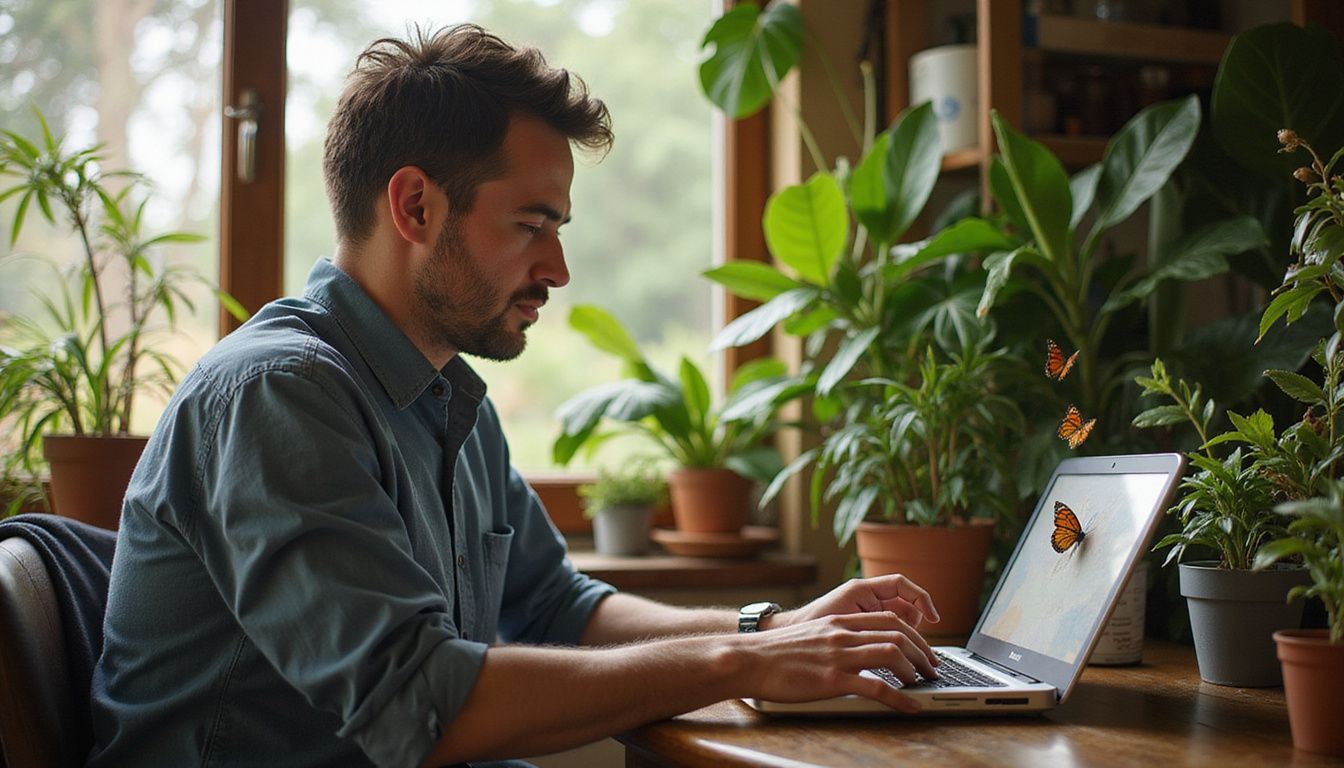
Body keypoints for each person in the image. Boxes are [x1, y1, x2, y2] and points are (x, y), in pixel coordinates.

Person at [86, 24, 941, 768]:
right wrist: (739, 665)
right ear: (416, 206)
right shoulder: (278, 395)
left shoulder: (448, 396)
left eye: (558, 231)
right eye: (531, 226)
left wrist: (771, 632)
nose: (558, 271)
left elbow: (556, 608)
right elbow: (419, 700)